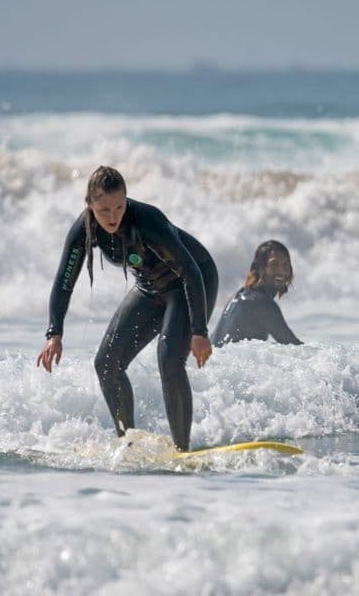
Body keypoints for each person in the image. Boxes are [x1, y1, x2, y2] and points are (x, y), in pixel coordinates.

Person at [37, 166, 218, 452]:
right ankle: (128, 443)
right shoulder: (83, 230)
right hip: (150, 289)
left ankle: (183, 451)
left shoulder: (147, 221)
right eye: (104, 209)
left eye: (119, 207)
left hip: (191, 283)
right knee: (106, 364)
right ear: (90, 204)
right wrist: (54, 333)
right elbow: (64, 282)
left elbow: (191, 272)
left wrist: (199, 331)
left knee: (170, 360)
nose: (112, 217)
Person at [211, 240, 302, 347]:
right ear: (260, 268)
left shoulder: (240, 295)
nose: (281, 271)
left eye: (285, 265)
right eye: (274, 264)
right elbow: (297, 349)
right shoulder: (262, 304)